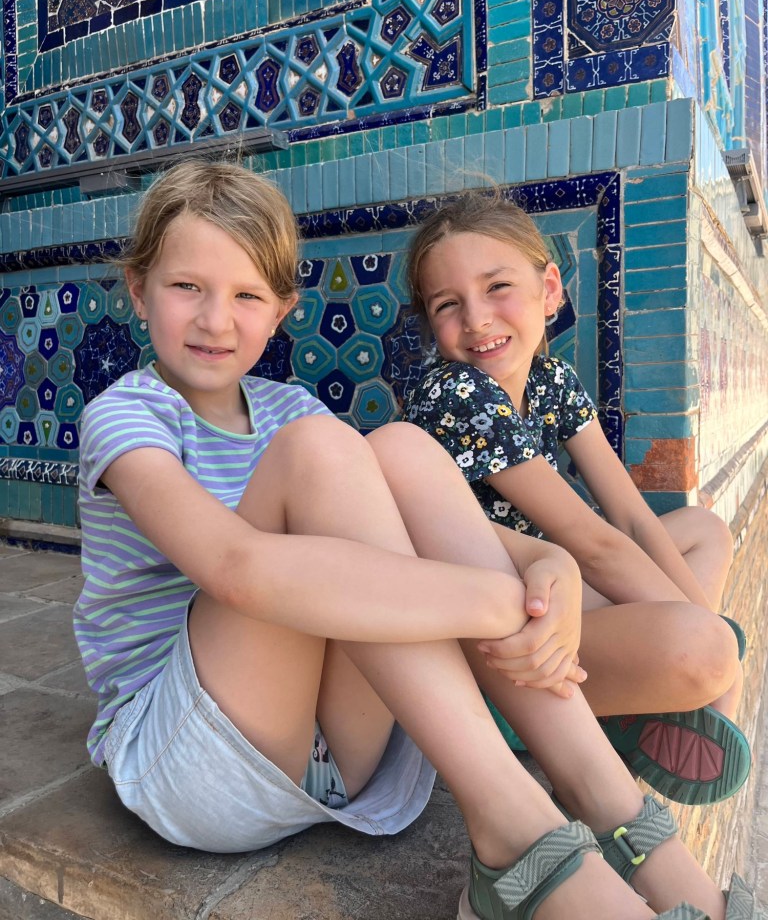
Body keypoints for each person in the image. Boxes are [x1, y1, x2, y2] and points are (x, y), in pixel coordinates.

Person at [73, 161, 760, 920]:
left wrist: (548, 567)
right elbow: (238, 569)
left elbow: (423, 522)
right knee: (323, 453)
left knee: (397, 449)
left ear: (281, 311)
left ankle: (610, 801)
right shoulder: (126, 415)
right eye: (186, 287)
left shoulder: (291, 407)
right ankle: (519, 828)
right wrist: (497, 603)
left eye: (246, 295)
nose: (215, 320)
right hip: (192, 759)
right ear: (138, 289)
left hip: (337, 760)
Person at [404, 189, 750, 807]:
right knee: (703, 652)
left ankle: (633, 694)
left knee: (704, 530)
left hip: (559, 580)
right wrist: (717, 657)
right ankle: (548, 714)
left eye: (497, 287)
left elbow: (630, 517)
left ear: (549, 289)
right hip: (505, 617)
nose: (477, 319)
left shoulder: (551, 378)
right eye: (448, 304)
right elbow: (591, 545)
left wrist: (707, 625)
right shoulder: (455, 392)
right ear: (431, 322)